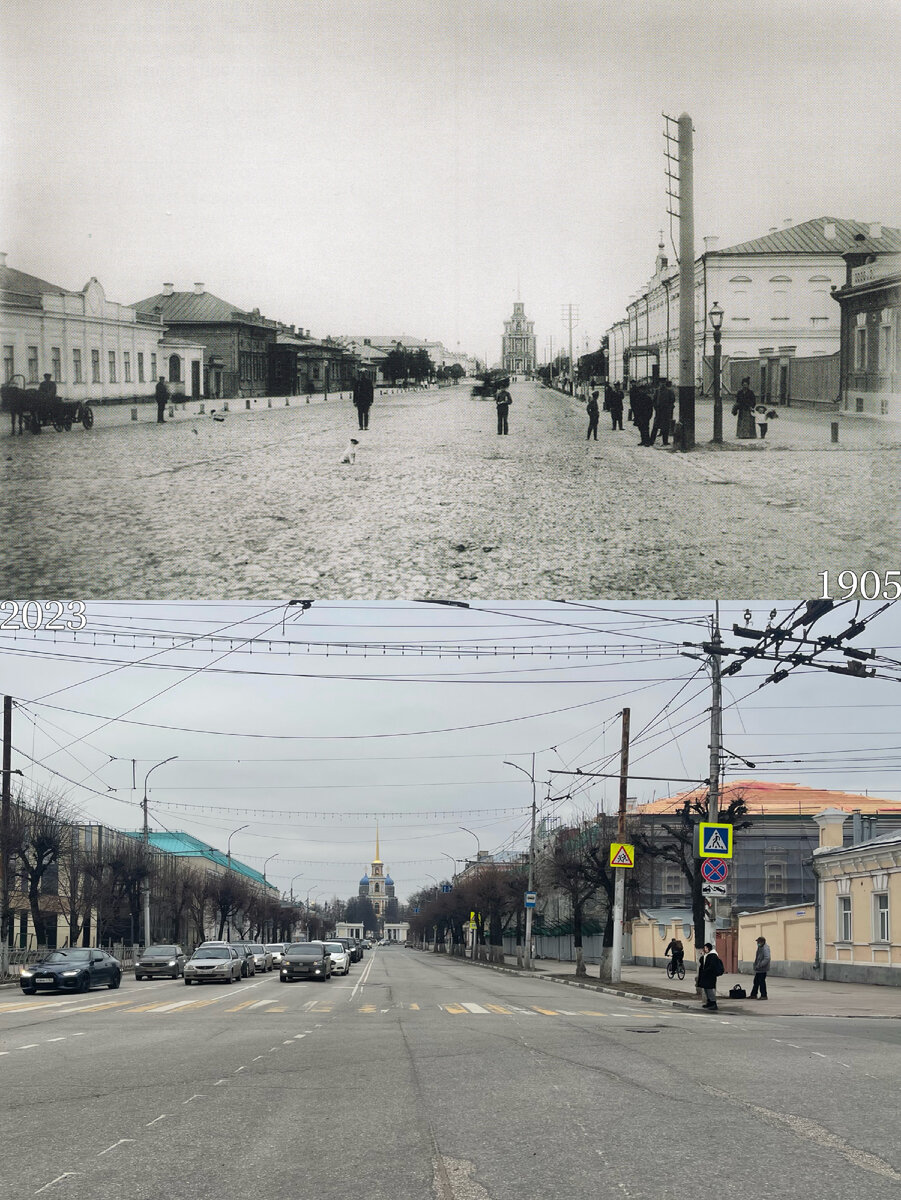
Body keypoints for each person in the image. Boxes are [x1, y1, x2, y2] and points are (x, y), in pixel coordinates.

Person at [696, 941, 724, 1010]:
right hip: (706, 975)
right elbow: (701, 961)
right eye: (704, 948)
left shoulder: (713, 956)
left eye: (705, 948)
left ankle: (713, 1003)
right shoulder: (707, 955)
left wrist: (706, 971)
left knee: (709, 989)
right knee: (706, 988)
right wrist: (703, 955)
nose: (704, 949)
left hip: (710, 975)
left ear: (708, 948)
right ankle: (709, 1002)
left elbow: (712, 966)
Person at [650, 377, 676, 446]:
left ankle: (665, 441)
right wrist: (656, 407)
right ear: (659, 383)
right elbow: (654, 400)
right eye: (661, 383)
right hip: (658, 411)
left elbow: (672, 400)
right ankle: (651, 441)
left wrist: (669, 408)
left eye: (664, 383)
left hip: (666, 411)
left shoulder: (669, 391)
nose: (662, 384)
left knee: (665, 427)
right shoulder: (657, 391)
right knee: (655, 427)